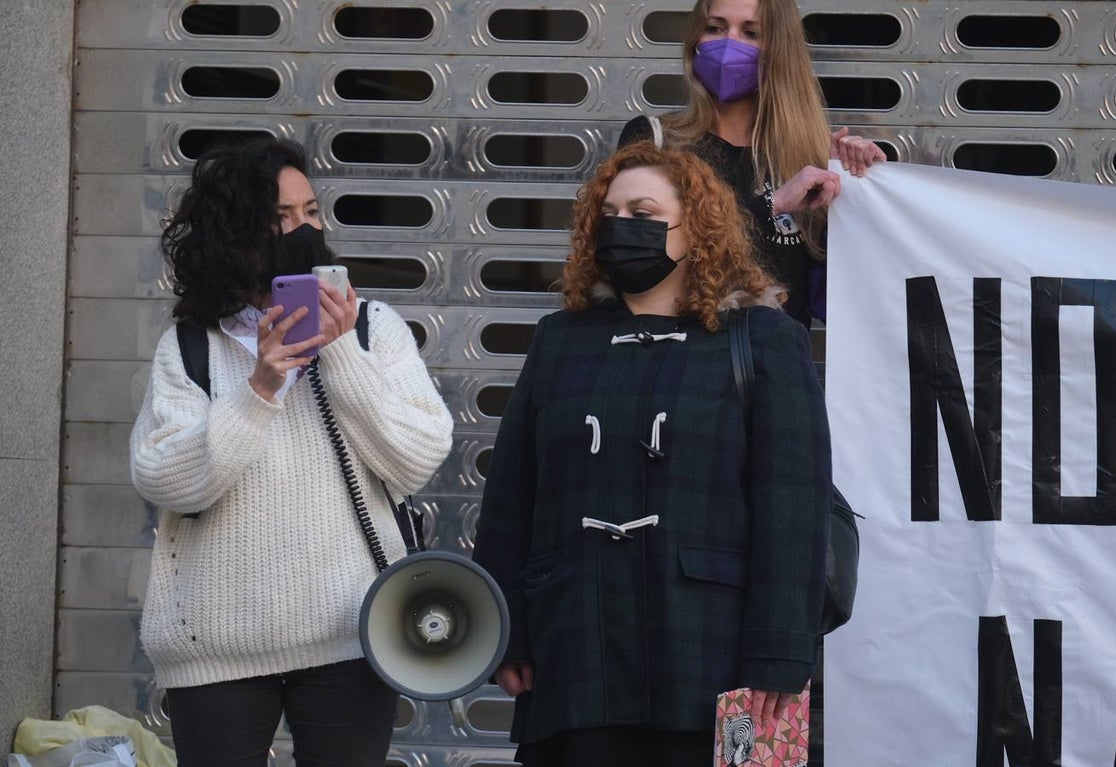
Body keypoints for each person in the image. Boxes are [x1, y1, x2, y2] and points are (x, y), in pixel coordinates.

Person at [471, 141, 832, 767]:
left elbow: (793, 511)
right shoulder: (561, 339)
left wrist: (780, 655)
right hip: (575, 643)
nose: (620, 228)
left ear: (696, 224)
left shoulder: (765, 339)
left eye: (642, 212)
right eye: (608, 214)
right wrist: (508, 632)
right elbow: (511, 496)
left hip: (714, 652)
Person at [129, 137, 454, 767]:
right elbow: (165, 479)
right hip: (216, 644)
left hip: (354, 637)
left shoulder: (371, 327)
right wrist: (259, 389)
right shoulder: (193, 345)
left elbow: (417, 458)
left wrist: (335, 350)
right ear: (235, 233)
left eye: (310, 212)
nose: (304, 230)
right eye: (282, 218)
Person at [619, 0, 886, 328]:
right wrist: (773, 205)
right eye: (715, 28)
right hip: (681, 363)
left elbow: (848, 295)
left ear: (778, 50)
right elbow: (633, 262)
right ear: (695, 42)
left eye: (751, 33)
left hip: (778, 370)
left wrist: (863, 187)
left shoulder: (810, 162)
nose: (729, 44)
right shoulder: (656, 140)